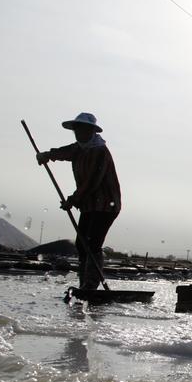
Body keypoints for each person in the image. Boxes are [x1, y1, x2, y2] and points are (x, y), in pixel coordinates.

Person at [36, 112, 121, 290]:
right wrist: (46, 155)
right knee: (81, 245)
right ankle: (84, 284)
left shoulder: (100, 152)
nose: (78, 133)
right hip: (88, 205)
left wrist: (73, 200)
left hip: (106, 205)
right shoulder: (79, 148)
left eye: (82, 129)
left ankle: (90, 286)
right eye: (76, 129)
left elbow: (92, 182)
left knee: (93, 244)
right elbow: (64, 152)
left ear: (91, 131)